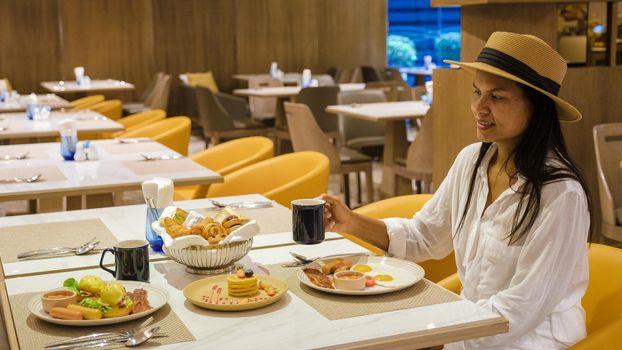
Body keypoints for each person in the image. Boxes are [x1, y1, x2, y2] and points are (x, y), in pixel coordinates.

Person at [322, 32, 592, 349]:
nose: (480, 107)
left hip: (533, 340)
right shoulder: (472, 161)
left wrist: (437, 335)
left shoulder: (559, 193)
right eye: (477, 92)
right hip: (471, 325)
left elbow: (521, 308)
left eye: (498, 97)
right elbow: (424, 235)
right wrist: (352, 222)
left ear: (538, 108)